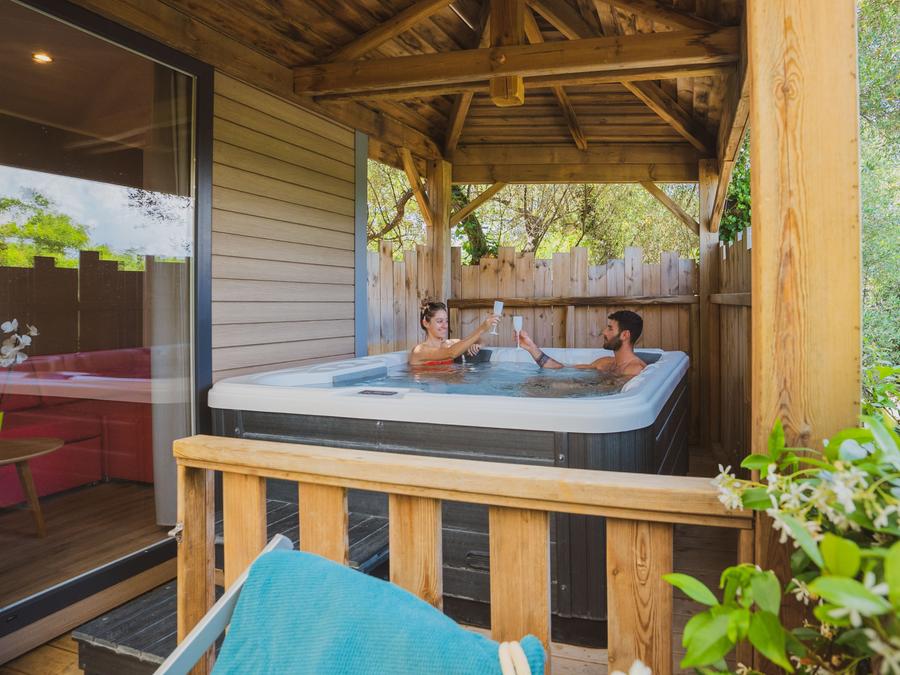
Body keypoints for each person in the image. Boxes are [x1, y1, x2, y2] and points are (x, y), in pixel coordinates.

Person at [518, 310, 647, 379]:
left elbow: (615, 398)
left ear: (625, 335)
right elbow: (562, 369)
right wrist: (531, 347)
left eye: (610, 328)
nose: (604, 332)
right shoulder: (605, 362)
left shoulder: (635, 370)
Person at [409, 301, 499, 366]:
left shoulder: (449, 343)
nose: (445, 326)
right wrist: (482, 329)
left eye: (446, 321)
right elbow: (451, 353)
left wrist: (477, 346)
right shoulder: (419, 351)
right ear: (426, 323)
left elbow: (480, 340)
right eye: (439, 321)